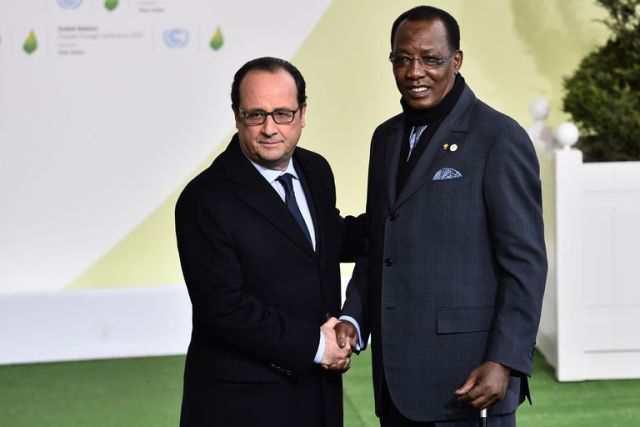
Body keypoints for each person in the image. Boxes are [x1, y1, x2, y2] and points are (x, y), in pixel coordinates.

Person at [336, 5, 547, 426]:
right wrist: (353, 316)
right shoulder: (385, 138)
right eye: (402, 58)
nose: (415, 72)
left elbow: (525, 263)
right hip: (395, 382)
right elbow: (381, 240)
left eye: (430, 59)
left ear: (456, 60)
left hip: (470, 379)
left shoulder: (499, 137)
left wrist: (504, 360)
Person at [175, 57, 355, 427]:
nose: (270, 128)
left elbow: (325, 242)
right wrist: (317, 346)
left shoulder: (316, 170)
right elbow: (224, 309)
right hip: (243, 405)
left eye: (283, 114)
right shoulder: (204, 199)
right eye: (256, 115)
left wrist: (402, 224)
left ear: (303, 114)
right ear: (237, 116)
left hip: (319, 395)